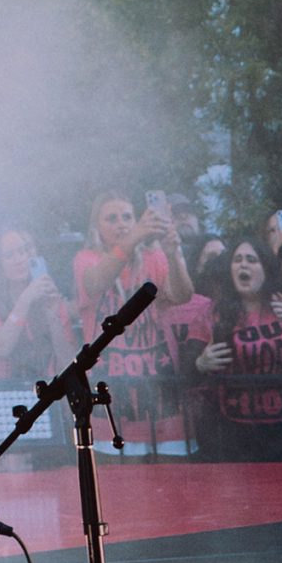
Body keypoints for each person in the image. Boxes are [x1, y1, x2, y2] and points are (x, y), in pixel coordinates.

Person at [72, 190, 194, 455]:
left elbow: (182, 296)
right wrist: (134, 237)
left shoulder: (153, 256)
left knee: (174, 473)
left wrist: (173, 253)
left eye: (127, 217)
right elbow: (95, 282)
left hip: (160, 388)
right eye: (112, 218)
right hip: (110, 393)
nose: (121, 224)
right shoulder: (86, 259)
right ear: (96, 226)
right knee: (119, 475)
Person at [193, 237, 282, 462]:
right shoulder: (212, 313)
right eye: (237, 260)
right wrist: (200, 363)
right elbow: (185, 370)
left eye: (251, 260)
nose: (243, 265)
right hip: (232, 431)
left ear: (266, 268)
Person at [0, 227, 76, 390]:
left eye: (23, 251)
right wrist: (26, 298)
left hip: (49, 390)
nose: (19, 259)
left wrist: (53, 314)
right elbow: (2, 348)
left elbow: (69, 363)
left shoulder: (50, 297)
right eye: (9, 255)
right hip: (7, 391)